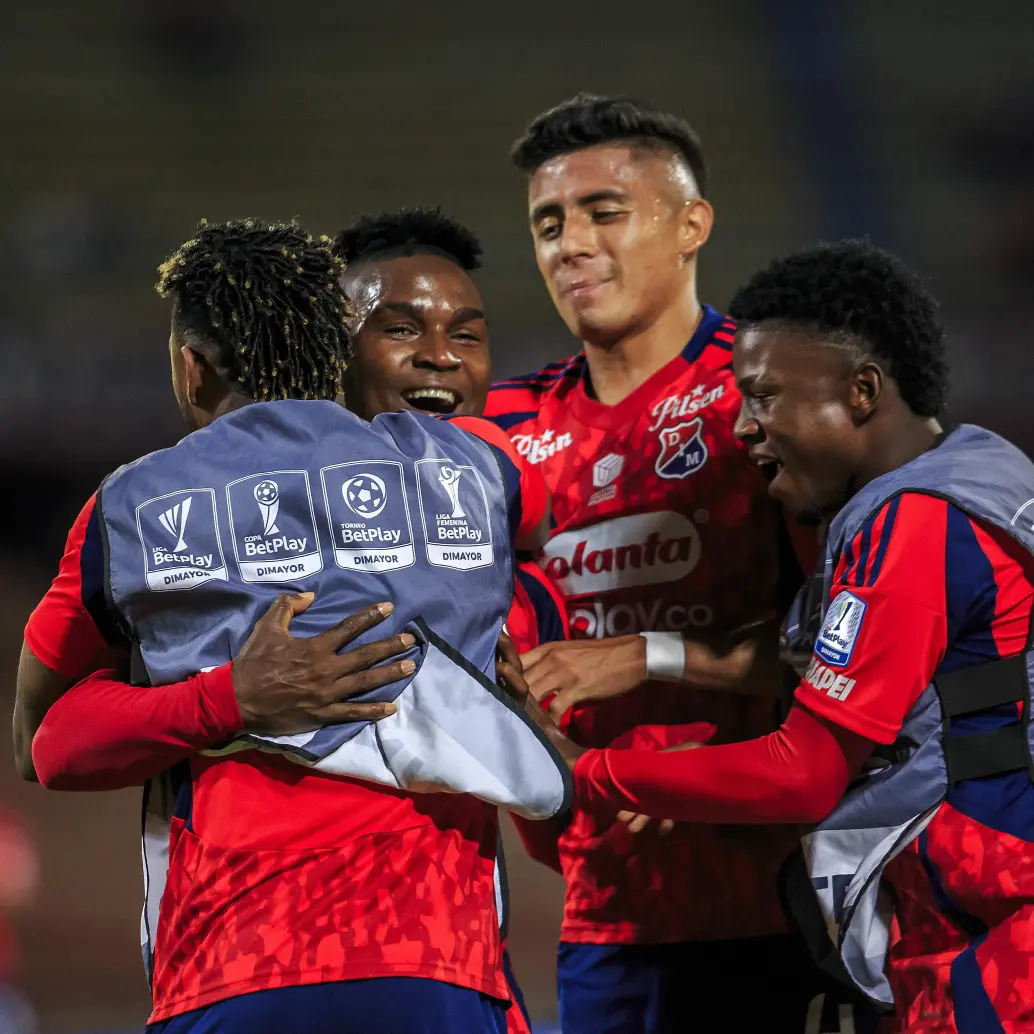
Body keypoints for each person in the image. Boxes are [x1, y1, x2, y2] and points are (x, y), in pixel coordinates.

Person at [24, 219, 569, 1034]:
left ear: (190, 366)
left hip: (231, 965)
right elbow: (547, 510)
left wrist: (228, 700)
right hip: (437, 961)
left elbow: (46, 743)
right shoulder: (480, 466)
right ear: (339, 350)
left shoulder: (131, 506)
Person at [565, 239, 1034, 1033]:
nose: (745, 427)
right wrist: (658, 667)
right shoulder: (979, 477)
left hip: (1001, 941)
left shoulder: (912, 523)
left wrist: (586, 773)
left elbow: (804, 773)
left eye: (764, 395)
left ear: (860, 392)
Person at [484, 93, 820, 1033]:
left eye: (605, 212)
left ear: (691, 225)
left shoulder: (768, 391)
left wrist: (649, 657)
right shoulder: (506, 428)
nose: (570, 244)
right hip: (606, 917)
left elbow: (852, 646)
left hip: (786, 899)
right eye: (548, 224)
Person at [333, 205, 571, 1034]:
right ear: (332, 350)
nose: (440, 355)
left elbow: (547, 830)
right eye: (401, 329)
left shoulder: (495, 491)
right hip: (268, 959)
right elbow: (54, 741)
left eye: (467, 336)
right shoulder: (245, 510)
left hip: (451, 949)